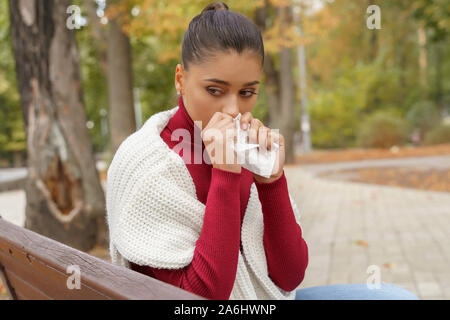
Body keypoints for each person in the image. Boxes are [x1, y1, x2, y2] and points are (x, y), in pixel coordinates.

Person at [105, 1, 418, 300]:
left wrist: (272, 180)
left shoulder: (245, 148)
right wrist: (225, 175)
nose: (232, 109)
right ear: (180, 79)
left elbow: (289, 276)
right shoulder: (148, 165)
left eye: (247, 92)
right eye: (214, 90)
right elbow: (202, 298)